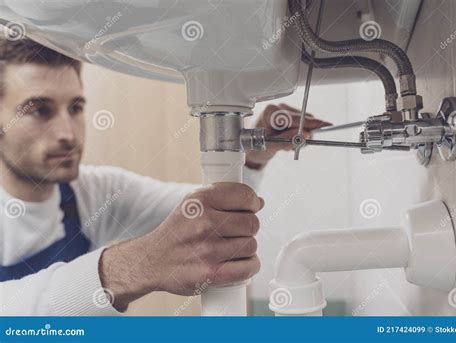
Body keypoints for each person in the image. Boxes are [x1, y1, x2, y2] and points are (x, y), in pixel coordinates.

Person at [0, 38, 330, 315]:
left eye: (75, 108)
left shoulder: (92, 192)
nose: (68, 135)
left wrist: (253, 155)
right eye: (39, 110)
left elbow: (206, 214)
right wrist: (130, 267)